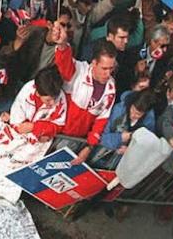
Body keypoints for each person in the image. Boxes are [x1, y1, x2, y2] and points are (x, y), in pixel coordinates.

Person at [52, 22, 118, 164]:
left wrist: (89, 146)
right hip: (54, 133)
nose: (108, 73)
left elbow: (101, 120)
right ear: (94, 63)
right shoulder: (79, 71)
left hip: (76, 142)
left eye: (111, 68)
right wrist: (63, 44)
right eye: (104, 68)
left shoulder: (111, 88)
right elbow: (64, 64)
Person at [10, 66, 67, 141]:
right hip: (18, 136)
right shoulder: (28, 89)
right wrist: (29, 131)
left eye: (55, 97)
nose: (53, 102)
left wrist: (35, 127)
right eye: (48, 100)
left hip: (40, 142)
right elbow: (16, 116)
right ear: (37, 93)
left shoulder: (61, 98)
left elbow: (58, 125)